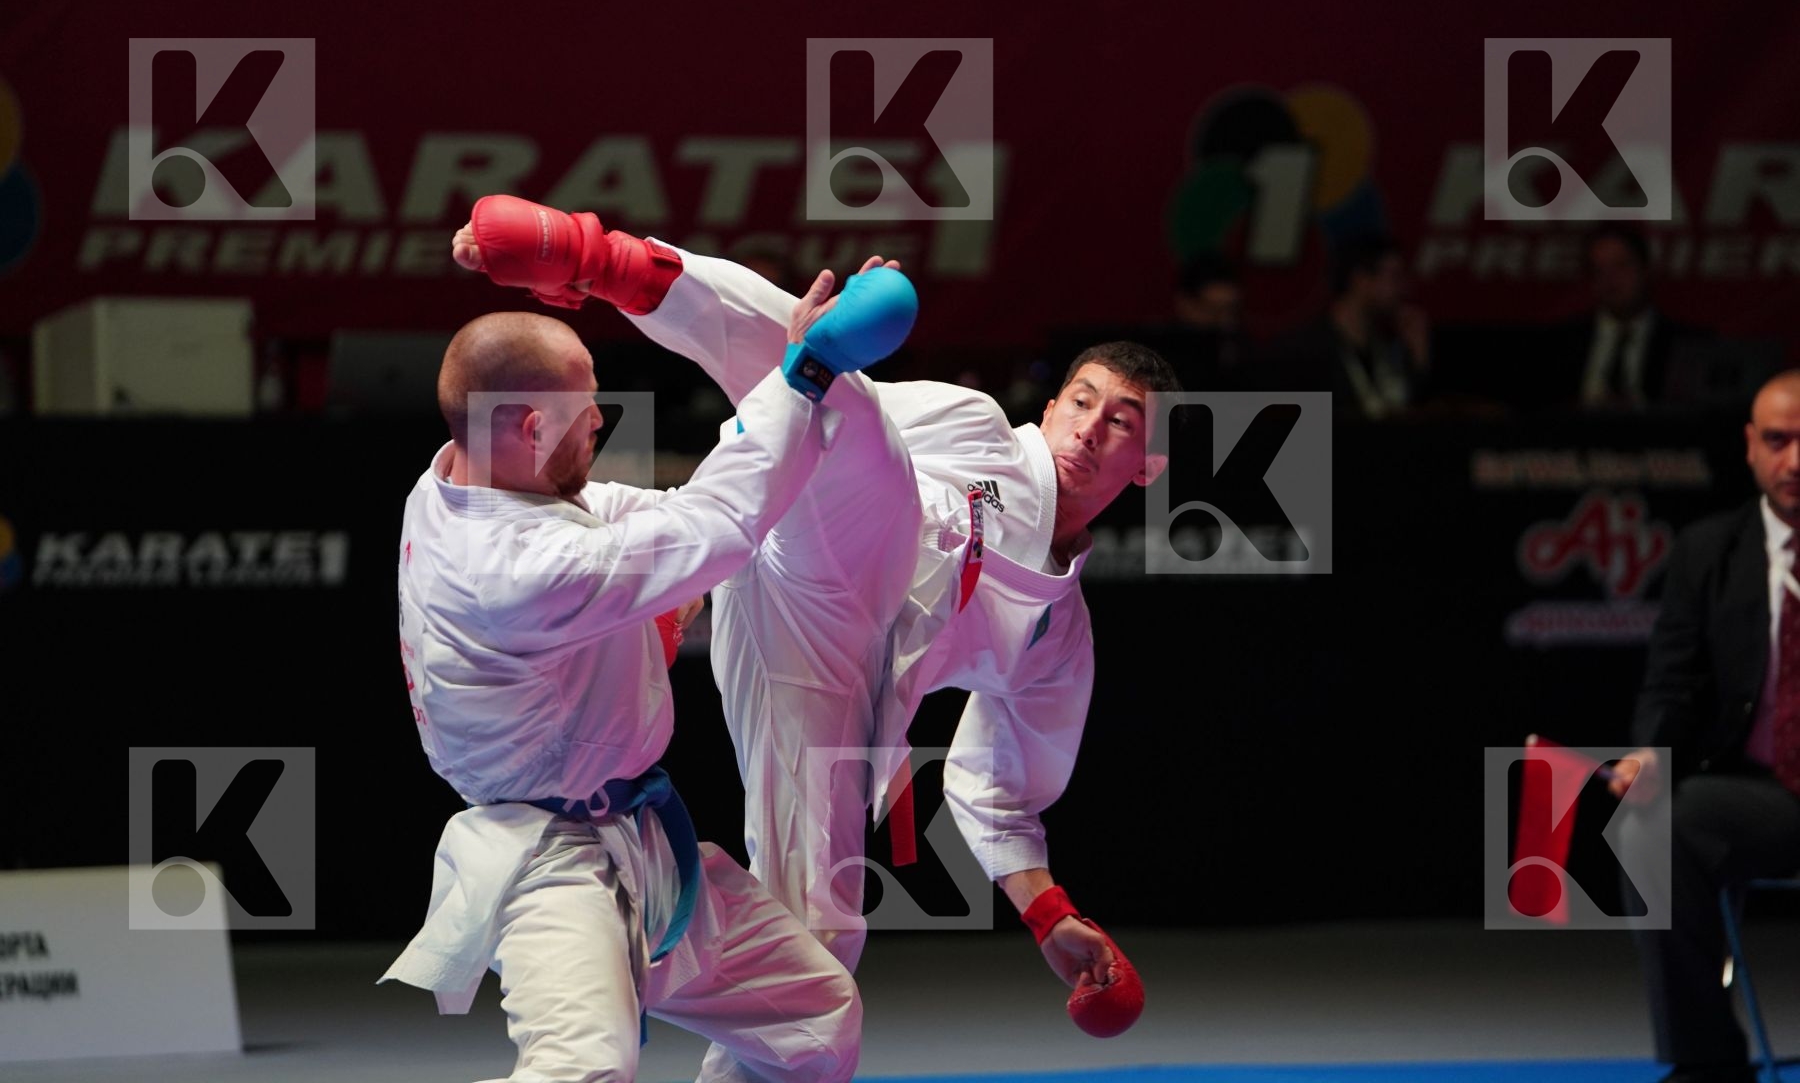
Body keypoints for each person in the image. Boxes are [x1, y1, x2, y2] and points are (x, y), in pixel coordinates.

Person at [452, 197, 1153, 1037]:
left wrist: (1049, 915)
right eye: (1081, 401)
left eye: (1121, 423)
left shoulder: (1057, 642)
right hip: (822, 534)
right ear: (1049, 407)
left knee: (817, 956)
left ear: (1148, 466)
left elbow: (1000, 785)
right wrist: (832, 340)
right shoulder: (979, 433)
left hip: (830, 674)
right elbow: (824, 406)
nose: (1088, 428)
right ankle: (600, 258)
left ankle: (646, 971)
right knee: (843, 391)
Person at [378, 281, 913, 1082]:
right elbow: (709, 528)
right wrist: (802, 373)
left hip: (639, 844)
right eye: (586, 408)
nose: (601, 419)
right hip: (547, 864)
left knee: (812, 1020)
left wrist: (752, 458)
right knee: (585, 1072)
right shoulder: (513, 569)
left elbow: (662, 518)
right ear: (528, 428)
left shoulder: (460, 479)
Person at [1607, 369, 1800, 1083]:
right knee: (1649, 826)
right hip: (1767, 795)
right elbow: (1672, 680)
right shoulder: (1707, 551)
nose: (1795, 461)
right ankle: (1708, 1060)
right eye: (1778, 441)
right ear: (1750, 446)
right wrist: (1652, 754)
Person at [1261, 233, 1428, 419]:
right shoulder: (1305, 350)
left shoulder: (1387, 347)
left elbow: (1405, 408)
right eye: (1394, 277)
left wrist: (1418, 359)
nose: (1403, 288)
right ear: (1361, 280)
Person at [1555, 224, 1705, 412]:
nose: (1610, 280)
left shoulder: (1685, 343)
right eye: (1599, 270)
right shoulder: (1562, 342)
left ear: (1646, 269)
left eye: (1621, 266)